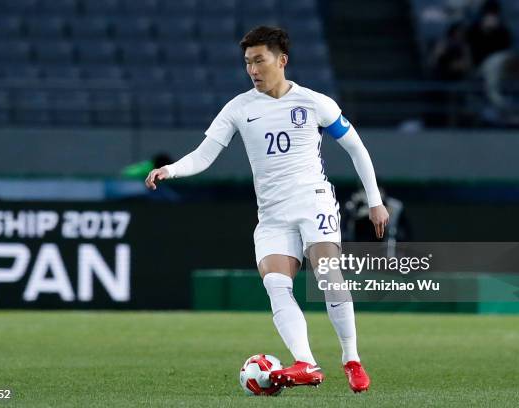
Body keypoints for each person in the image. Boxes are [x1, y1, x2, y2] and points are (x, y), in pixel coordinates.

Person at [146, 26, 389, 393]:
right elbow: (204, 154)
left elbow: (356, 148)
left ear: (281, 60)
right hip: (273, 213)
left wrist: (375, 201)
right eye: (247, 63)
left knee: (328, 276)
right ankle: (306, 362)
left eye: (259, 60)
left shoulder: (314, 102)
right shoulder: (239, 108)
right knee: (276, 284)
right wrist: (172, 169)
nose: (253, 69)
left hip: (314, 200)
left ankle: (351, 359)